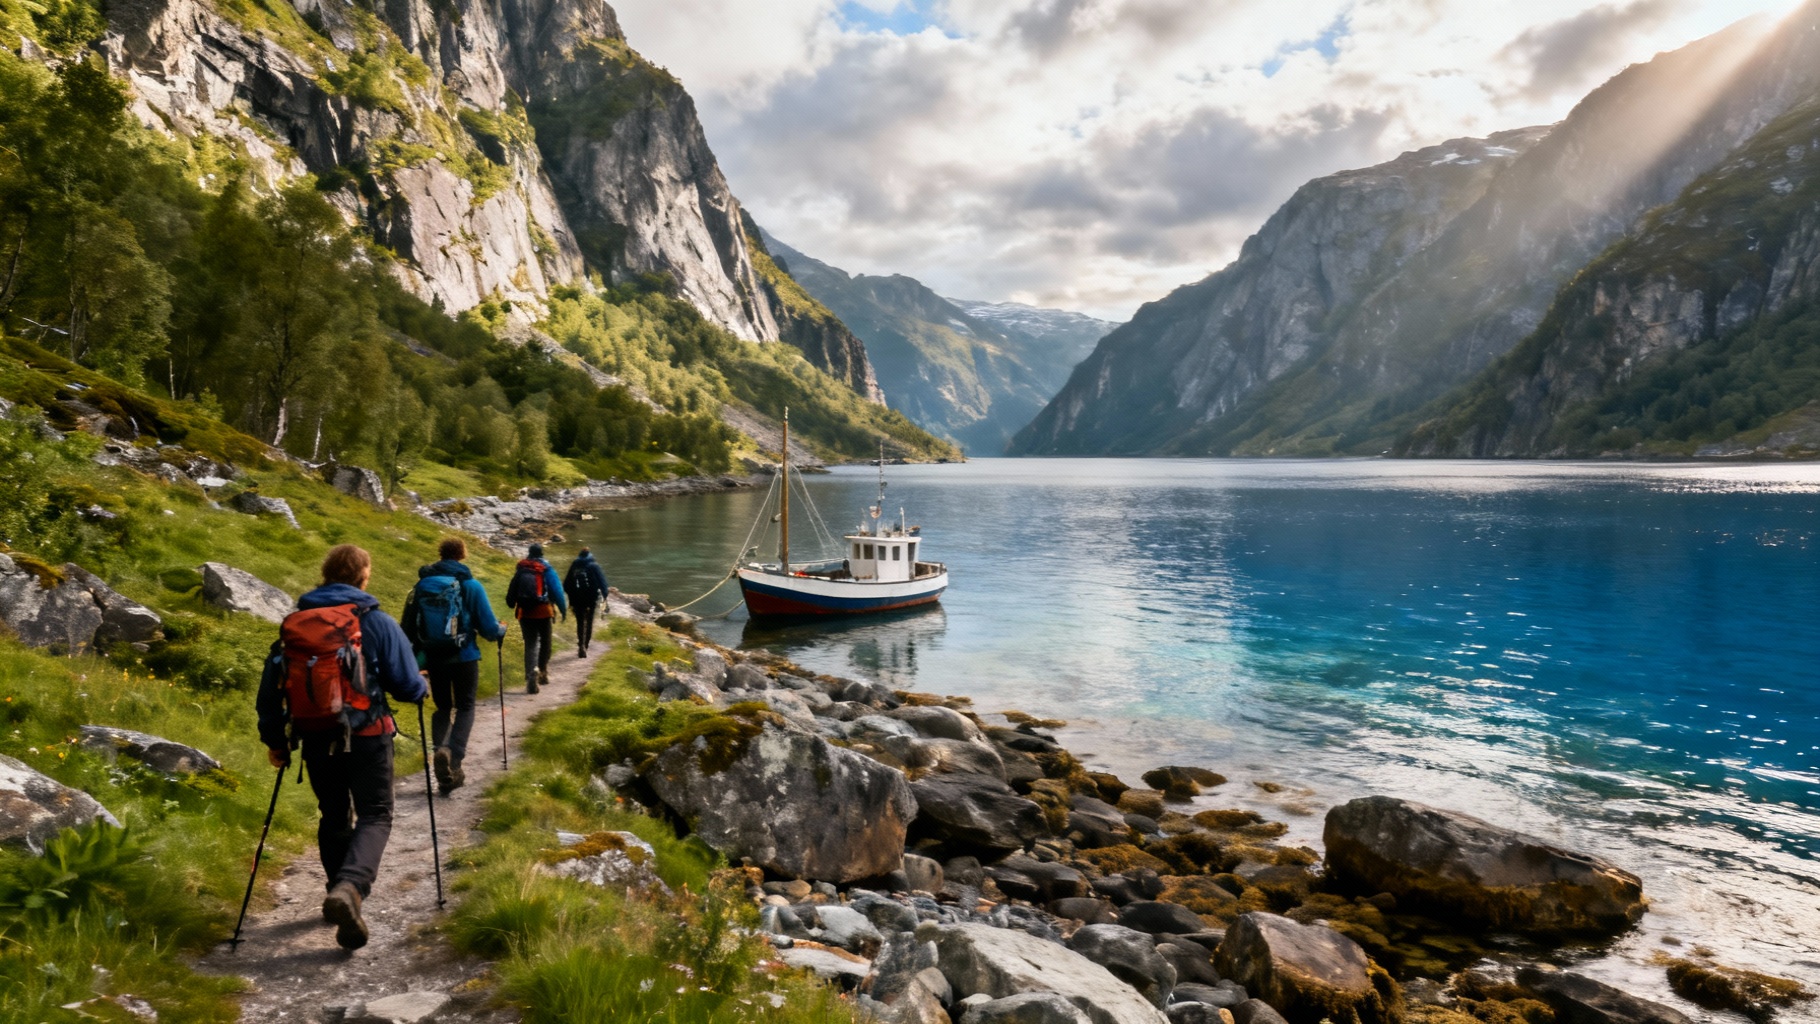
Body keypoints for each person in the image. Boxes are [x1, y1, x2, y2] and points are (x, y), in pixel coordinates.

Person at [256, 544, 425, 952]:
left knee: (333, 813)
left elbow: (271, 691)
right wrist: (422, 685)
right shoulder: (376, 621)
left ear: (326, 574)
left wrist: (276, 742)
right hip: (368, 735)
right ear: (364, 576)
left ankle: (339, 890)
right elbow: (407, 686)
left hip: (316, 734)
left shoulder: (296, 624)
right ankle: (350, 888)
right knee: (375, 814)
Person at [403, 537, 508, 795]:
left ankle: (441, 749)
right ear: (462, 554)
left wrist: (415, 656)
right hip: (464, 656)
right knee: (466, 706)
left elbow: (408, 627)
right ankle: (454, 760)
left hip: (435, 657)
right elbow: (488, 627)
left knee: (443, 708)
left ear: (440, 554)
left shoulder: (421, 585)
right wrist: (500, 631)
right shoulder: (470, 585)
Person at [504, 542, 565, 694]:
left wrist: (513, 603)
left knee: (530, 644)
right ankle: (542, 671)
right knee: (546, 642)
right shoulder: (546, 568)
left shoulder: (521, 569)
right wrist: (563, 610)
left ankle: (531, 673)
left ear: (529, 553)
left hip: (525, 613)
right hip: (544, 611)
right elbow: (557, 590)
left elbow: (510, 598)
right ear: (541, 554)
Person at [563, 547, 610, 658]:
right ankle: (586, 645)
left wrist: (571, 597)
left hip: (577, 599)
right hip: (591, 598)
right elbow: (603, 584)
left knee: (580, 622)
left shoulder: (575, 565)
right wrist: (604, 597)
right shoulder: (594, 565)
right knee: (589, 621)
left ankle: (581, 645)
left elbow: (566, 585)